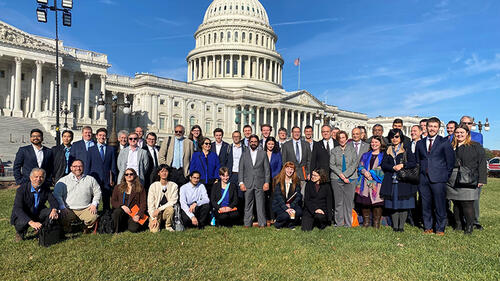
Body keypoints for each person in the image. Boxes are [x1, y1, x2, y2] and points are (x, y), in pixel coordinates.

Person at [415, 117, 455, 236]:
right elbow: (418, 160)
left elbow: (450, 162)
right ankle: (428, 227)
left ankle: (440, 228)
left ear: (438, 128)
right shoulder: (420, 143)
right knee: (425, 204)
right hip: (423, 179)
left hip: (439, 179)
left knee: (439, 205)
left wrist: (445, 176)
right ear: (426, 127)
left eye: (435, 126)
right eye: (430, 126)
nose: (432, 129)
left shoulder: (444, 142)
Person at [447, 124, 487, 234]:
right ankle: (458, 225)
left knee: (467, 203)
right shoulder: (451, 146)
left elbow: (482, 163)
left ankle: (469, 227)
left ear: (467, 134)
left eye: (462, 133)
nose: (459, 135)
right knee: (456, 204)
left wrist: (482, 179)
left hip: (469, 178)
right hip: (452, 179)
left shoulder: (475, 146)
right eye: (457, 133)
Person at [380, 130, 417, 232]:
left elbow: (413, 163)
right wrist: (392, 167)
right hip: (391, 180)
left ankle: (401, 227)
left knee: (404, 204)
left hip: (404, 180)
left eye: (396, 137)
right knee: (393, 204)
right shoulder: (388, 150)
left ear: (400, 137)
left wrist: (403, 165)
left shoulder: (406, 149)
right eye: (392, 137)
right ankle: (395, 226)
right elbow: (383, 164)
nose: (394, 139)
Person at [54, 159, 101, 234]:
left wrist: (94, 204)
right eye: (75, 166)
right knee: (61, 217)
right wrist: (62, 207)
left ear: (83, 167)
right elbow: (57, 195)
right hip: (69, 209)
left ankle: (85, 226)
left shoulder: (90, 179)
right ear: (71, 168)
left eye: (80, 166)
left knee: (93, 217)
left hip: (85, 208)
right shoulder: (63, 180)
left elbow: (97, 192)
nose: (78, 168)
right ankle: (68, 228)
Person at [11, 168, 59, 241]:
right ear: (30, 178)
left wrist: (54, 210)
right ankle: (20, 233)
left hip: (37, 213)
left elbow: (53, 201)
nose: (38, 179)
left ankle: (42, 230)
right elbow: (18, 209)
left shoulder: (45, 188)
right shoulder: (21, 190)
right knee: (21, 222)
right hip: (24, 214)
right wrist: (31, 222)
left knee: (50, 212)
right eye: (36, 177)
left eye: (41, 177)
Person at [239, 135, 270, 228]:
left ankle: (262, 223)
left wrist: (266, 182)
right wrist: (241, 183)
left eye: (255, 141)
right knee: (248, 204)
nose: (253, 143)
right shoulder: (244, 154)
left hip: (260, 183)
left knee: (260, 205)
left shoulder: (263, 154)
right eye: (251, 141)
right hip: (247, 183)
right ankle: (247, 223)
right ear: (249, 143)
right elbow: (241, 169)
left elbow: (267, 170)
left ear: (258, 143)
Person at [459, 115, 484, 229]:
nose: (466, 125)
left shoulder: (477, 137)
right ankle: (461, 220)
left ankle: (474, 221)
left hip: (472, 174)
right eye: (464, 123)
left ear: (472, 125)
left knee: (473, 200)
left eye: (469, 123)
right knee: (459, 200)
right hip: (458, 174)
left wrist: (481, 178)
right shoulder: (455, 135)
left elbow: (481, 159)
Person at [330, 130, 358, 227]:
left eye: (343, 137)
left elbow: (355, 164)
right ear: (337, 139)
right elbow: (332, 165)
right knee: (338, 202)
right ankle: (339, 223)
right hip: (336, 179)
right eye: (340, 138)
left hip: (351, 178)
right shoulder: (334, 150)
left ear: (346, 138)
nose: (342, 140)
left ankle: (348, 223)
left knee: (348, 202)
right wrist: (341, 175)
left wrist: (346, 175)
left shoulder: (352, 149)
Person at [356, 136, 385, 228]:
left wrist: (372, 173)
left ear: (380, 143)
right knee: (365, 202)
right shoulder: (365, 155)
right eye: (372, 142)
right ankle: (366, 222)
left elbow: (384, 167)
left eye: (376, 142)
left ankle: (376, 224)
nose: (374, 144)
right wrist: (364, 172)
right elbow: (360, 166)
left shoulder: (383, 155)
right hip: (365, 182)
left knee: (377, 203)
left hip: (377, 183)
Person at [87, 128, 118, 211]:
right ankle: (94, 220)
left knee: (106, 202)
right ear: (96, 136)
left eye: (104, 135)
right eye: (100, 135)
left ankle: (106, 220)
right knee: (94, 202)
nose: (102, 137)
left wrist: (113, 179)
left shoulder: (110, 149)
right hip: (94, 179)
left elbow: (113, 166)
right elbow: (88, 166)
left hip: (106, 180)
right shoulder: (91, 150)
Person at [111, 168, 147, 233]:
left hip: (133, 213)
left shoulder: (140, 188)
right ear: (124, 176)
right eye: (126, 174)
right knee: (117, 212)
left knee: (134, 229)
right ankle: (117, 230)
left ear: (134, 175)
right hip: (121, 211)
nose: (129, 176)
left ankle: (127, 224)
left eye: (131, 174)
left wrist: (138, 215)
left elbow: (143, 203)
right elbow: (113, 201)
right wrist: (122, 206)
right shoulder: (117, 187)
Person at [148, 164, 178, 232]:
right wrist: (153, 218)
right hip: (155, 213)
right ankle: (156, 223)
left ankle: (168, 225)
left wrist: (159, 209)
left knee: (170, 209)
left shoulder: (174, 185)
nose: (164, 173)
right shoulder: (153, 186)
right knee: (154, 231)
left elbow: (173, 201)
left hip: (165, 211)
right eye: (162, 171)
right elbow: (150, 204)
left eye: (166, 171)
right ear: (158, 173)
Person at [272, 162, 303, 229]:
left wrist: (291, 206)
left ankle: (290, 224)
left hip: (291, 204)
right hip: (279, 204)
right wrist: (286, 208)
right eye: (288, 168)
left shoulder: (296, 180)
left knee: (299, 212)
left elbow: (298, 196)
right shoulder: (278, 180)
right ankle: (278, 223)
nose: (290, 171)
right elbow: (278, 197)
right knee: (286, 215)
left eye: (292, 169)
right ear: (284, 169)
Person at [265, 137, 282, 223]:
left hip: (274, 179)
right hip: (264, 179)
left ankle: (272, 216)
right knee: (264, 198)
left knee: (272, 198)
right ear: (266, 144)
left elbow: (279, 166)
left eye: (272, 144)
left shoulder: (277, 153)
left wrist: (273, 176)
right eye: (269, 144)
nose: (270, 146)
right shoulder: (263, 153)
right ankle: (266, 216)